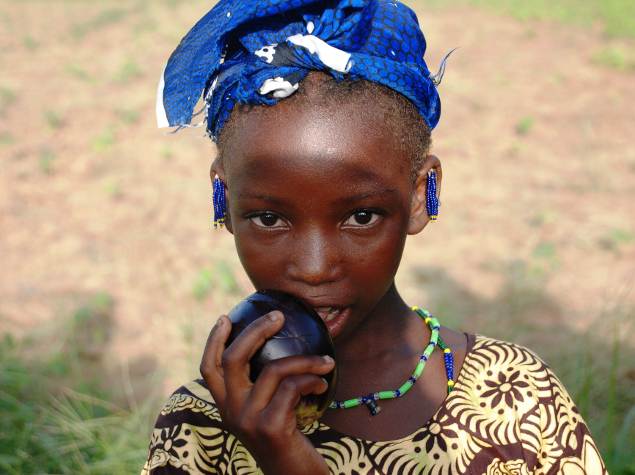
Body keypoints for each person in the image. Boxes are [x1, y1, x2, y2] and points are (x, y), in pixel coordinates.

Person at [143, 1, 606, 474]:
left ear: (422, 195)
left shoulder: (513, 398)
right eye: (267, 219)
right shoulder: (199, 428)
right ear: (222, 196)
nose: (314, 267)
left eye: (361, 216)